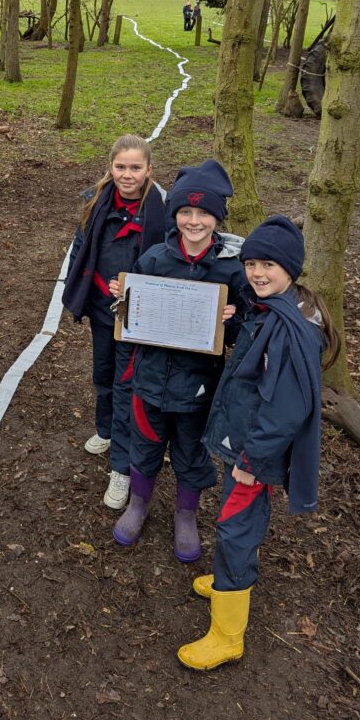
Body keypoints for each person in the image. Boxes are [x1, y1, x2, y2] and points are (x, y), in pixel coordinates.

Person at [177, 215, 340, 671]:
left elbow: (286, 409)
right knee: (238, 519)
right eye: (250, 264)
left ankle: (228, 634)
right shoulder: (271, 309)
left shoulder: (291, 332)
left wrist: (252, 458)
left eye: (267, 264)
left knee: (235, 526)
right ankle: (234, 581)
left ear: (290, 268)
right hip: (246, 442)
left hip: (255, 452)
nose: (256, 273)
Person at [111, 159, 245, 562]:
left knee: (191, 450)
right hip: (150, 378)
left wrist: (232, 323)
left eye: (203, 213)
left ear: (217, 218)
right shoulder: (154, 259)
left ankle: (186, 515)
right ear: (175, 215)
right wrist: (123, 300)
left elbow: (242, 334)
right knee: (146, 442)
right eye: (185, 211)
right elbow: (129, 320)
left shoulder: (231, 270)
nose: (193, 220)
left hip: (199, 387)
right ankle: (139, 503)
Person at [63, 135, 166, 510]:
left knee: (127, 388)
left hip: (138, 317)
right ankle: (105, 430)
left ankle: (122, 468)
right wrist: (78, 287)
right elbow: (81, 246)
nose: (127, 174)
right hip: (101, 308)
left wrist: (136, 287)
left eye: (135, 168)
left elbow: (167, 261)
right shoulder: (95, 200)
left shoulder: (162, 209)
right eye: (120, 167)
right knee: (103, 374)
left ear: (148, 170)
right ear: (111, 167)